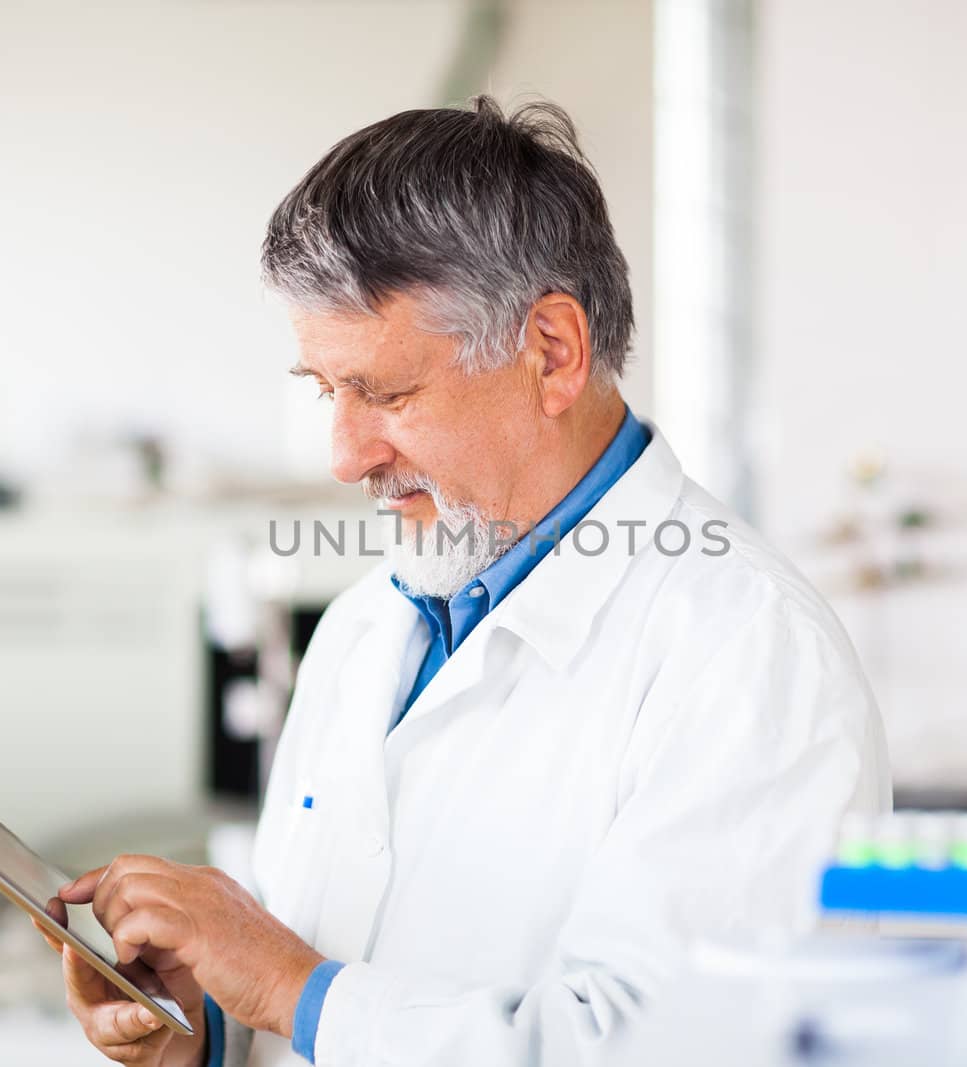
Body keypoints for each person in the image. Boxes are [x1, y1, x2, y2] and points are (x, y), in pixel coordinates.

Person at [49, 95, 889, 1067]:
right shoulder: (367, 628)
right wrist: (207, 1029)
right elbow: (325, 984)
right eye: (328, 390)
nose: (344, 454)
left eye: (389, 393)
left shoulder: (746, 652)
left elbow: (678, 1047)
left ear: (552, 352)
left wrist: (290, 985)